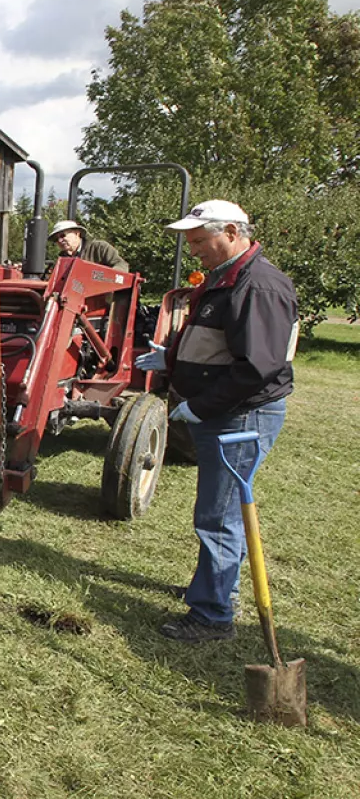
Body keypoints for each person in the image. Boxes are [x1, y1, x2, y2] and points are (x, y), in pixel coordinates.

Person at [134, 200, 298, 643]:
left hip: (240, 414)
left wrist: (202, 406)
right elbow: (215, 345)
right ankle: (219, 590)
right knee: (222, 510)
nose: (194, 250)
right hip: (226, 410)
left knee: (218, 515)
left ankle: (212, 615)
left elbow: (258, 367)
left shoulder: (258, 286)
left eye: (200, 241)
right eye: (190, 242)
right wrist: (172, 359)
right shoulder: (226, 279)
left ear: (231, 232)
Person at [49, 220, 129, 271]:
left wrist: (104, 277)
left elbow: (122, 265)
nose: (59, 240)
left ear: (77, 233)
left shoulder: (99, 247)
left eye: (62, 235)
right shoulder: (62, 258)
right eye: (56, 239)